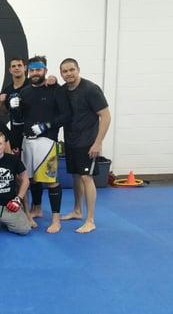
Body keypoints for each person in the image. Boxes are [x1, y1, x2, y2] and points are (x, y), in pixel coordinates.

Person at [59, 58, 111, 233]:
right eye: (65, 71)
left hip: (88, 143)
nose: (68, 74)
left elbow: (105, 116)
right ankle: (77, 210)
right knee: (76, 176)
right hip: (71, 141)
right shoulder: (64, 90)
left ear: (78, 69)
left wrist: (98, 142)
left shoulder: (91, 89)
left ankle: (90, 220)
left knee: (86, 178)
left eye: (71, 70)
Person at [20, 56, 71, 233]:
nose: (35, 73)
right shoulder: (25, 92)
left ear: (45, 70)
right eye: (32, 70)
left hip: (47, 141)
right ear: (29, 71)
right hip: (27, 141)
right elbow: (20, 119)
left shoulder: (55, 89)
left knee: (50, 180)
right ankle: (36, 208)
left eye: (38, 70)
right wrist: (13, 108)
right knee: (32, 178)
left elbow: (66, 115)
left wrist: (46, 125)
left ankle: (56, 218)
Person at [0, 57, 30, 152]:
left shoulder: (32, 85)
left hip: (31, 133)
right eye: (14, 66)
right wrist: (2, 102)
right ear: (10, 70)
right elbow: (3, 112)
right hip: (15, 133)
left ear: (25, 68)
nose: (16, 68)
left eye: (19, 65)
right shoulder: (7, 90)